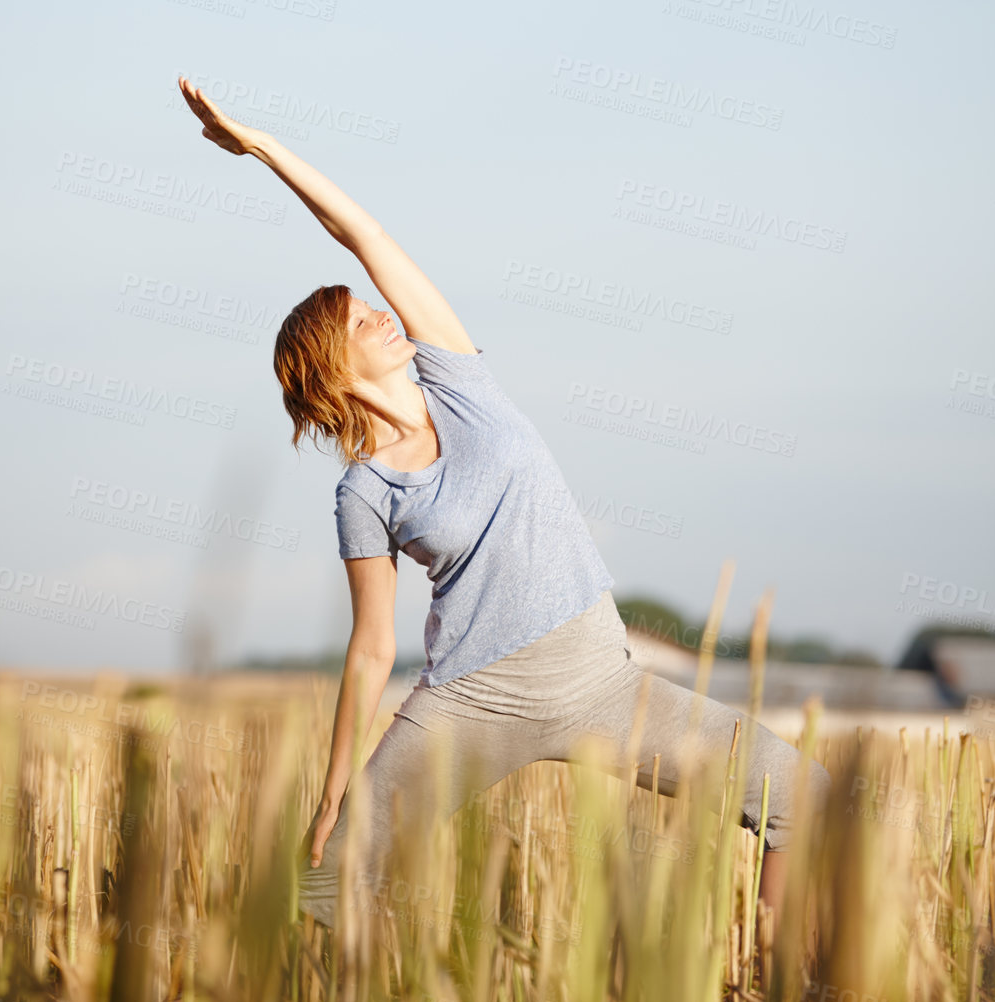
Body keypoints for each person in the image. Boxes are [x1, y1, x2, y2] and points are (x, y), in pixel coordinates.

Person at [177, 77, 830, 935]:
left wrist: (261, 147)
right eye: (360, 320)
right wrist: (336, 787)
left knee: (805, 799)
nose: (381, 313)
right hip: (473, 702)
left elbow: (363, 234)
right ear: (333, 368)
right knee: (332, 884)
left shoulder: (461, 380)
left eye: (374, 304)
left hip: (602, 680)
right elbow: (371, 647)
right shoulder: (364, 492)